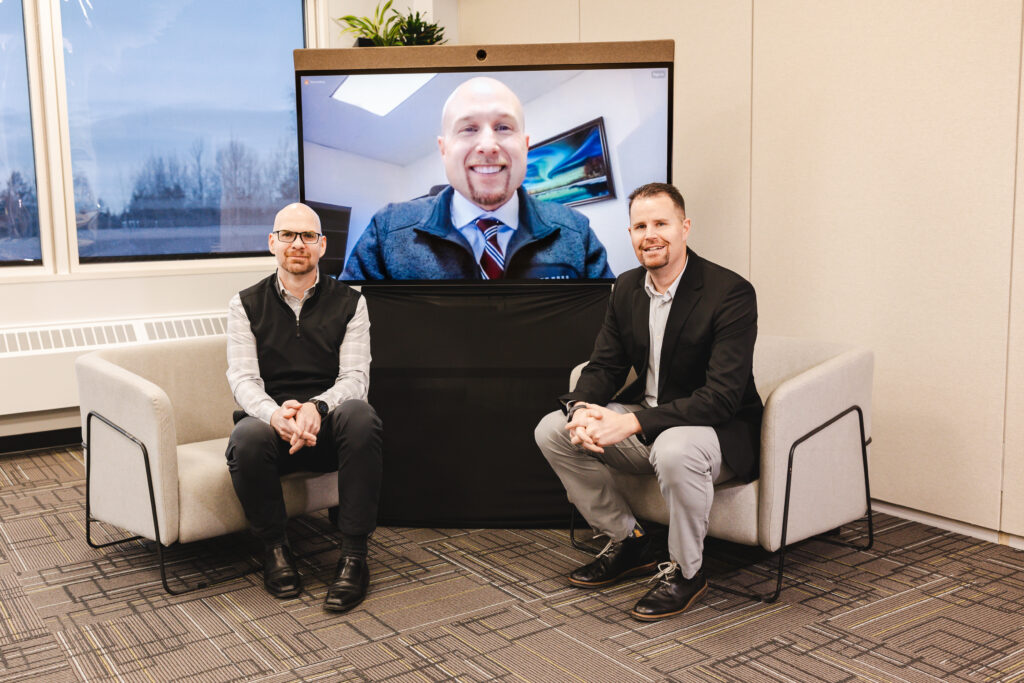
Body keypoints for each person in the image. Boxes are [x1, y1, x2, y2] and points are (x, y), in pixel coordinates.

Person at [534, 182, 763, 621]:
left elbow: (721, 399)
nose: (650, 234)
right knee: (553, 430)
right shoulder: (626, 289)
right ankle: (631, 540)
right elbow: (604, 367)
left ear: (685, 228)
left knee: (674, 446)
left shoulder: (730, 292)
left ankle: (687, 572)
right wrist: (581, 408)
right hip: (651, 421)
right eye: (640, 225)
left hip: (717, 432)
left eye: (661, 223)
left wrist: (632, 425)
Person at [225, 202, 382, 613]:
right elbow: (242, 379)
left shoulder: (352, 302)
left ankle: (354, 558)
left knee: (362, 417)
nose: (298, 244)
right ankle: (275, 550)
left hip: (328, 426)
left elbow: (355, 379)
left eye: (308, 236)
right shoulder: (245, 303)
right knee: (246, 436)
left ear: (322, 245)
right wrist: (275, 414)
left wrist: (318, 407)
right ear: (272, 242)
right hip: (273, 429)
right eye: (289, 235)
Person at [342, 77, 613, 281]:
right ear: (444, 148)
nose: (488, 145)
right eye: (469, 128)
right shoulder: (387, 231)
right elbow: (347, 334)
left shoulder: (576, 233)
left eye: (503, 127)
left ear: (525, 145)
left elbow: (604, 341)